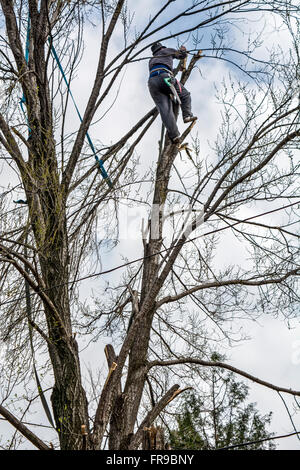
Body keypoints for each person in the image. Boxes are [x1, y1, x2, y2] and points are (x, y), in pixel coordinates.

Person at [148, 42, 197, 144]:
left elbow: (161, 67)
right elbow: (181, 55)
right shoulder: (166, 51)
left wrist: (174, 70)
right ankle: (187, 116)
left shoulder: (151, 60)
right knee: (185, 95)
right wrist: (183, 50)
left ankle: (174, 136)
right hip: (165, 77)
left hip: (152, 83)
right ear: (161, 48)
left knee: (165, 110)